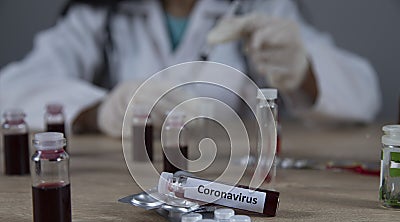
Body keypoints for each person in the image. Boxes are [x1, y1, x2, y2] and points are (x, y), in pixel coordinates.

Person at [0, 0, 381, 137]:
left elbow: (365, 93)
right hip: (124, 183)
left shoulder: (258, 5)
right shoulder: (100, 13)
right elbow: (12, 90)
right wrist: (100, 111)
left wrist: (305, 72)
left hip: (230, 178)